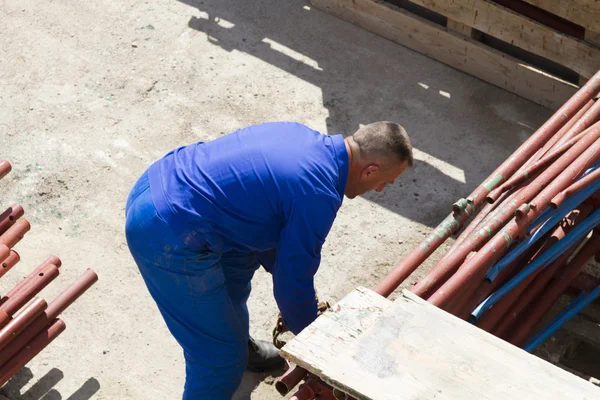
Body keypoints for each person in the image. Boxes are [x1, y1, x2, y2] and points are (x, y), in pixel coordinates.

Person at [124, 121, 413, 399]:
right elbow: (291, 285)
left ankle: (239, 345)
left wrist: (301, 300)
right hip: (167, 233)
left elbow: (272, 238)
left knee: (241, 261)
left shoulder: (300, 137)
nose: (379, 190)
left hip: (159, 181)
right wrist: (316, 341)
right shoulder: (318, 193)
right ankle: (229, 352)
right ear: (370, 170)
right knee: (219, 360)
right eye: (384, 182)